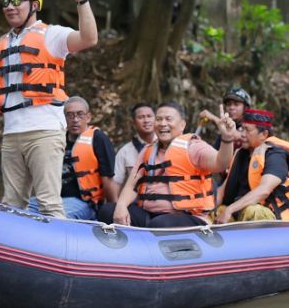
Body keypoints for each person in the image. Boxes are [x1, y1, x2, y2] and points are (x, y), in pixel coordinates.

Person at [0, 0, 98, 218]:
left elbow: (89, 38)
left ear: (34, 5)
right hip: (12, 133)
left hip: (45, 132)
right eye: (6, 2)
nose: (10, 6)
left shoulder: (52, 35)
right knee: (11, 204)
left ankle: (61, 256)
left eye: (17, 0)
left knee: (49, 203)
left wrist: (82, 0)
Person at [98, 101, 238, 228]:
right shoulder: (147, 150)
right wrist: (121, 205)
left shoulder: (194, 146)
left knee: (159, 224)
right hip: (150, 215)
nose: (163, 123)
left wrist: (227, 139)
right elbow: (132, 185)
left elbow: (220, 163)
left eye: (168, 119)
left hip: (188, 217)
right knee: (108, 211)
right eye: (158, 119)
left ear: (182, 125)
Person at [216, 109, 289, 223]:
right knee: (217, 210)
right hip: (241, 210)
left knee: (254, 212)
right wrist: (204, 209)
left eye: (247, 130)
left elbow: (264, 190)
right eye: (242, 129)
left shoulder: (275, 154)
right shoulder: (241, 154)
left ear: (264, 134)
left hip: (274, 214)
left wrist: (230, 209)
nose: (242, 134)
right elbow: (222, 191)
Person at [29, 96, 117, 219]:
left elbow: (108, 179)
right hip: (53, 200)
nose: (75, 120)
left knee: (55, 216)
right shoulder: (57, 139)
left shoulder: (98, 138)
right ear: (63, 118)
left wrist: (113, 210)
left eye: (80, 115)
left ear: (88, 117)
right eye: (70, 115)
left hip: (85, 203)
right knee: (21, 207)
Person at [112, 102, 156, 188]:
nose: (146, 120)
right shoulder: (125, 152)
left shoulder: (167, 146)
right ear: (134, 123)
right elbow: (116, 183)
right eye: (141, 117)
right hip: (136, 199)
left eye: (149, 116)